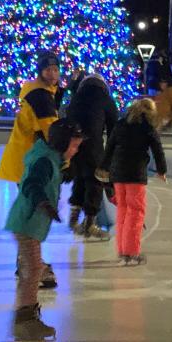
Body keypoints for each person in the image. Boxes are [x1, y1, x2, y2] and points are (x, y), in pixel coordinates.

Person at [5, 119, 85, 342]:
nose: (76, 151)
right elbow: (31, 184)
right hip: (27, 222)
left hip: (29, 223)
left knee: (32, 270)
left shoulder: (51, 159)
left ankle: (26, 318)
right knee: (33, 272)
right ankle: (25, 322)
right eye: (74, 146)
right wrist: (43, 202)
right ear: (61, 143)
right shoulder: (45, 161)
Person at [0, 50, 63, 288]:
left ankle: (27, 262)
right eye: (48, 69)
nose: (52, 73)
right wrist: (64, 158)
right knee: (33, 210)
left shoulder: (44, 93)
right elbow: (51, 131)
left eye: (55, 69)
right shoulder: (41, 97)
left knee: (32, 209)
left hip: (27, 158)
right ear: (40, 71)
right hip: (30, 161)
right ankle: (30, 265)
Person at [99, 98, 167, 266]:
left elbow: (110, 146)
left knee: (122, 211)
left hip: (117, 175)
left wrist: (104, 167)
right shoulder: (147, 127)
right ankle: (131, 251)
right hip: (134, 175)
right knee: (135, 212)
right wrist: (161, 170)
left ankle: (122, 250)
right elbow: (157, 149)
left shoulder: (121, 123)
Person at [66, 73, 119, 239]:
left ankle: (74, 218)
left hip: (74, 146)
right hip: (94, 147)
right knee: (96, 182)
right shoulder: (106, 100)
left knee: (79, 179)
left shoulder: (76, 98)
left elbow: (67, 118)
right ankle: (90, 223)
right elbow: (113, 129)